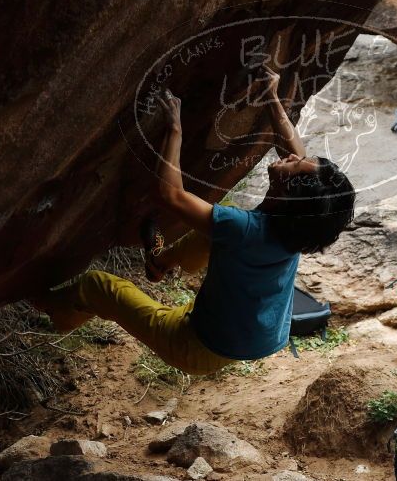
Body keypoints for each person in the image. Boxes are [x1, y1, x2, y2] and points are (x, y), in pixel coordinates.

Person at [35, 65, 356, 375]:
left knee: (99, 286)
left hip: (196, 345)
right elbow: (290, 146)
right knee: (211, 233)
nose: (292, 154)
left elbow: (171, 195)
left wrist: (174, 128)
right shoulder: (296, 225)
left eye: (296, 163)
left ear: (286, 192)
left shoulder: (241, 227)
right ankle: (159, 264)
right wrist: (272, 97)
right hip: (254, 334)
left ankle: (54, 308)